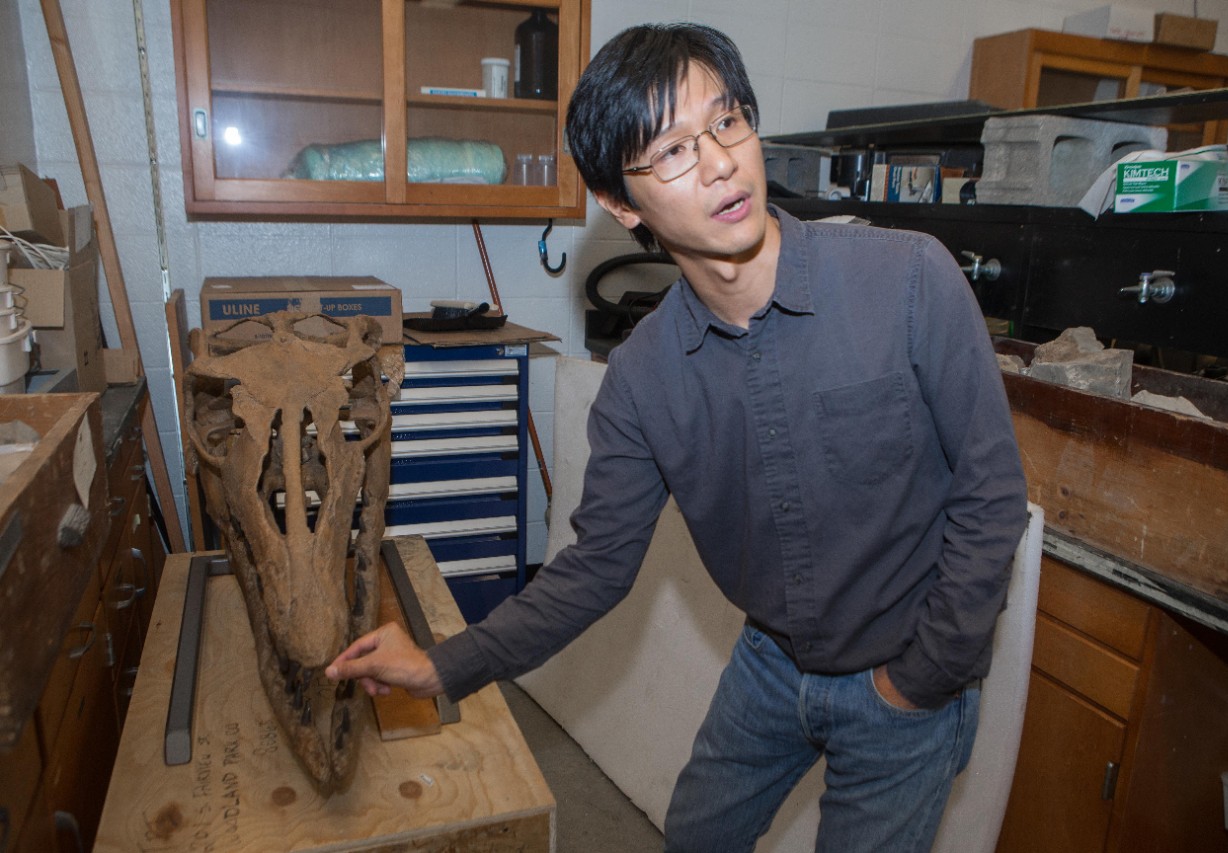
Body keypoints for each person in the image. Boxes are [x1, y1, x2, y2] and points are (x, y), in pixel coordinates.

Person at [328, 22, 1027, 852]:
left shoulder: (910, 280)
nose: (720, 161)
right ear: (622, 204)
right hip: (771, 666)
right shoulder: (643, 379)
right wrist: (442, 664)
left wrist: (919, 680)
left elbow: (991, 501)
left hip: (907, 684)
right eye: (669, 152)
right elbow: (594, 570)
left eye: (726, 121)